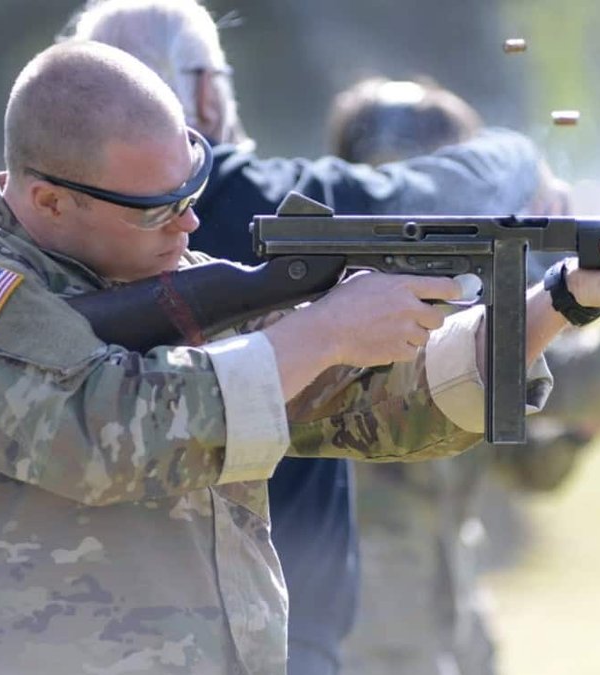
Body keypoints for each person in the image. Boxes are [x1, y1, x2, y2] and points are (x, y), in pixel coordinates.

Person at [0, 41, 600, 674]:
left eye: (193, 188)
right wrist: (321, 328)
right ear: (47, 199)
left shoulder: (174, 277)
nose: (188, 223)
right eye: (155, 209)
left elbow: (380, 406)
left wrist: (558, 302)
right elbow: (100, 433)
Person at [65, 2, 566, 672]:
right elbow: (423, 197)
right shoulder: (246, 195)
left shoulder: (62, 238)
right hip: (276, 628)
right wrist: (520, 159)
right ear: (207, 91)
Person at [324, 77, 600, 675]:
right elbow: (570, 381)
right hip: (371, 633)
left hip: (444, 617)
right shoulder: (370, 307)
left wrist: (583, 434)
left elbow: (516, 459)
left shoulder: (430, 296)